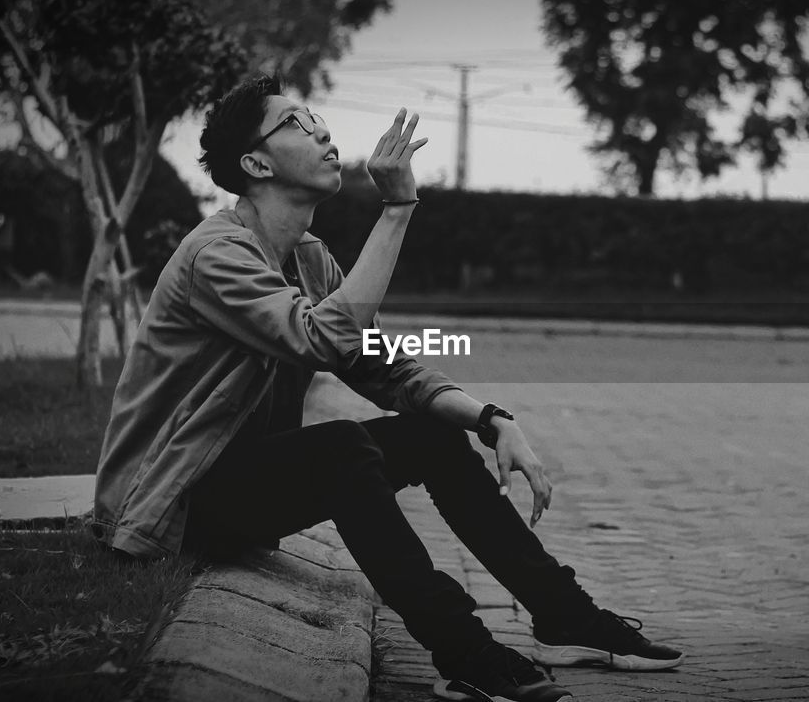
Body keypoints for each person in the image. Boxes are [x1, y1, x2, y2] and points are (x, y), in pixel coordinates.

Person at [90, 74, 683, 702]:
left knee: (431, 434)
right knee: (344, 450)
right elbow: (321, 340)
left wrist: (491, 419)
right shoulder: (218, 254)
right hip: (176, 500)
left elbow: (383, 366)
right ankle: (464, 652)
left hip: (235, 483)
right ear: (255, 162)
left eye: (316, 116)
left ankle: (563, 613)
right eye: (294, 122)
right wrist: (397, 210)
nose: (320, 129)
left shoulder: (309, 257)